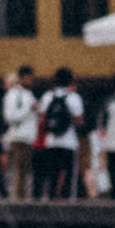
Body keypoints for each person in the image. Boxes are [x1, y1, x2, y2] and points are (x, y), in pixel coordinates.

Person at [36, 68, 83, 201]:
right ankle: (68, 201)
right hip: (69, 142)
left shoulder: (47, 96)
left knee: (52, 174)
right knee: (69, 175)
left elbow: (42, 118)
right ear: (70, 81)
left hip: (51, 141)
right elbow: (80, 121)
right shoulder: (74, 97)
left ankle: (50, 199)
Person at [0, 70, 40, 199]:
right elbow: (10, 117)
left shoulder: (29, 94)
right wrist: (29, 109)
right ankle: (18, 199)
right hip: (19, 137)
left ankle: (21, 197)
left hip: (29, 137)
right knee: (19, 170)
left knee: (24, 171)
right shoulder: (13, 95)